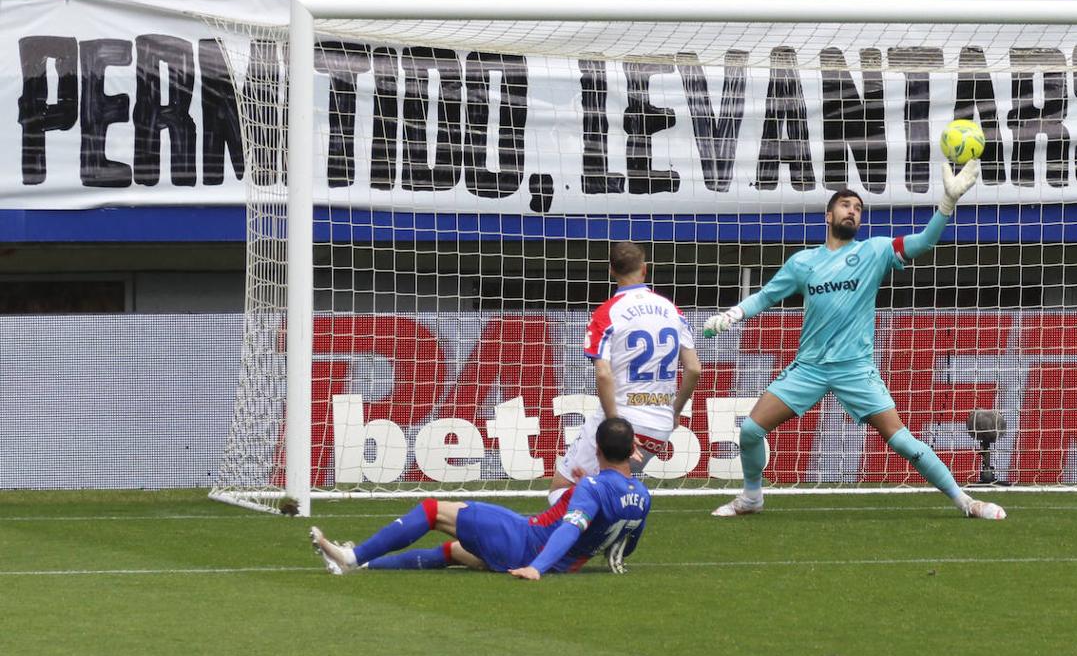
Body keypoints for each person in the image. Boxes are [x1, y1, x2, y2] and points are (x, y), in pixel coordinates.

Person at [701, 160, 1005, 520]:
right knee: (750, 431)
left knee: (902, 441)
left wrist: (947, 204)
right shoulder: (803, 262)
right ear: (828, 216)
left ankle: (966, 502)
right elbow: (765, 296)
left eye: (858, 208)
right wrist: (733, 315)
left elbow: (923, 243)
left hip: (855, 369)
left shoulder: (873, 252)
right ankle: (751, 497)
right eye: (846, 205)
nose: (853, 211)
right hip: (810, 368)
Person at [311, 417, 650, 580]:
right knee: (454, 552)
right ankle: (361, 564)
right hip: (559, 558)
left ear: (597, 450)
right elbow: (625, 539)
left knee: (432, 511)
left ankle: (353, 556)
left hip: (525, 541)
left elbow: (569, 528)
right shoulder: (641, 496)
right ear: (633, 450)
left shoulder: (592, 488)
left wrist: (536, 568)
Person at [549, 240, 702, 505]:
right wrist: (674, 412)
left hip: (624, 420)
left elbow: (604, 375)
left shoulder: (606, 313)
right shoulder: (672, 311)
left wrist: (615, 430)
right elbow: (693, 368)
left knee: (562, 489)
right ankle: (614, 538)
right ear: (645, 269)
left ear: (611, 270)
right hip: (659, 427)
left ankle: (586, 543)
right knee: (608, 493)